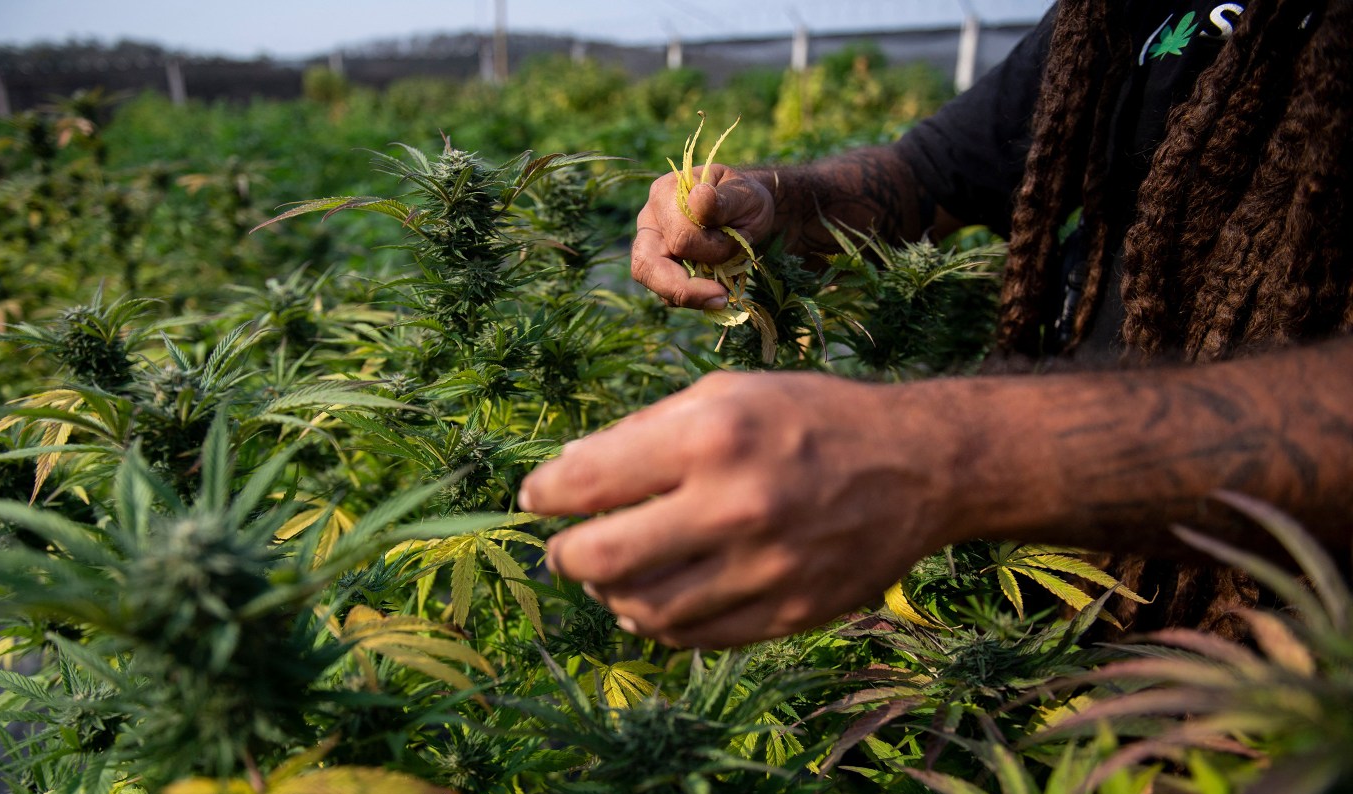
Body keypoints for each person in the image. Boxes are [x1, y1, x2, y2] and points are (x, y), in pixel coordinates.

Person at [518, 0, 1353, 650]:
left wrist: (940, 453)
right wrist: (779, 201)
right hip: (1083, 592)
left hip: (1294, 671)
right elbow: (938, 171)